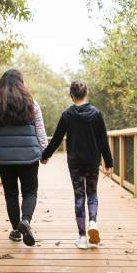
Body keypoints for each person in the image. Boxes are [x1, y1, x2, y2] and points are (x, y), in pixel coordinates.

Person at [41, 80, 113, 249]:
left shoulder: (67, 114)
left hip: (75, 162)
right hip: (92, 160)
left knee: (79, 196)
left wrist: (45, 156)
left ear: (71, 95)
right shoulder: (96, 114)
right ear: (86, 93)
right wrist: (108, 163)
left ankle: (82, 238)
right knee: (92, 193)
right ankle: (93, 222)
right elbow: (103, 140)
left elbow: (57, 138)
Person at [0, 69, 48, 246]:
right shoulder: (31, 103)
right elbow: (40, 131)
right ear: (21, 83)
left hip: (3, 157)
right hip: (28, 156)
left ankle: (16, 229)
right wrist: (44, 153)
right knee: (30, 191)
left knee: (11, 194)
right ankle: (26, 221)